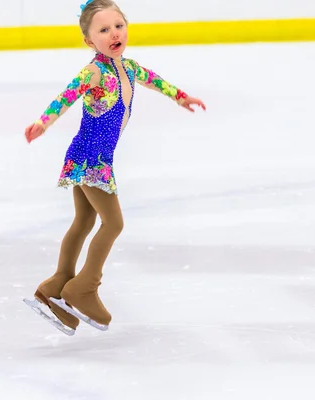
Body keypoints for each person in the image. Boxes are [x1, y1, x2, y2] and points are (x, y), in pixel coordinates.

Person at [23, 0, 206, 335]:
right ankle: (83, 288)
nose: (113, 33)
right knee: (113, 223)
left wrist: (181, 97)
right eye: (103, 30)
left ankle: (55, 287)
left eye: (118, 26)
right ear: (89, 41)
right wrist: (43, 123)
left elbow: (156, 81)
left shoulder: (130, 68)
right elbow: (66, 97)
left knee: (84, 221)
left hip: (89, 156)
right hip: (91, 159)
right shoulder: (94, 72)